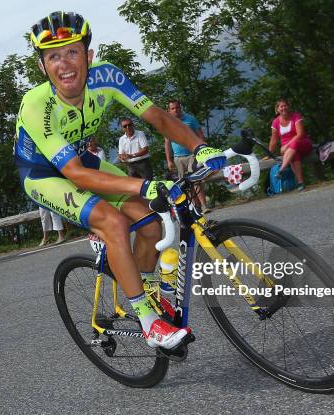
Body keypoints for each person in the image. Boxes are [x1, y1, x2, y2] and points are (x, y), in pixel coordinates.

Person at [15, 11, 226, 350]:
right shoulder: (36, 104)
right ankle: (147, 320)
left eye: (72, 51)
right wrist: (144, 185)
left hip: (80, 158)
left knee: (152, 222)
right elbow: (75, 175)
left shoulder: (107, 76)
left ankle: (141, 288)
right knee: (112, 222)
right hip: (44, 174)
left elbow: (156, 116)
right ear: (42, 67)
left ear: (89, 56)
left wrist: (199, 147)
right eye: (53, 56)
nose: (65, 64)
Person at [164, 99, 210, 213]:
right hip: (178, 158)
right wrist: (169, 160)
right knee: (186, 183)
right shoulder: (167, 123)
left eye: (177, 107)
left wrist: (203, 151)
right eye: (173, 108)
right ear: (169, 111)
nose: (176, 110)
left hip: (192, 154)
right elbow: (167, 143)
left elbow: (200, 136)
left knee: (196, 180)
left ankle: (204, 206)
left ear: (181, 108)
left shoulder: (190, 119)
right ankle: (196, 207)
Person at [269, 99, 314, 192]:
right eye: (281, 106)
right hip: (291, 150)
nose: (283, 108)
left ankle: (282, 169)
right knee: (294, 154)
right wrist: (269, 154)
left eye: (285, 105)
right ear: (277, 109)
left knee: (295, 144)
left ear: (288, 107)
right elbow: (273, 140)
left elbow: (300, 134)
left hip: (303, 143)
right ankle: (300, 183)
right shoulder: (276, 122)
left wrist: (286, 146)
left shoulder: (296, 116)